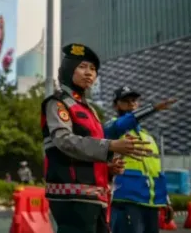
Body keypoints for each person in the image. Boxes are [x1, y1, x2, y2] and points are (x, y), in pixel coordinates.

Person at [41, 43, 152, 233]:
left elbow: (90, 150)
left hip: (95, 197)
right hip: (72, 197)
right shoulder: (57, 103)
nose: (89, 73)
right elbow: (64, 141)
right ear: (68, 70)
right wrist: (110, 146)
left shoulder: (89, 110)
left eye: (93, 69)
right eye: (82, 67)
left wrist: (108, 168)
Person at [105, 86, 177, 233]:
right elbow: (124, 122)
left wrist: (166, 201)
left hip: (150, 203)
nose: (131, 104)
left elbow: (155, 172)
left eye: (134, 101)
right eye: (125, 101)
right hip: (125, 200)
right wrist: (153, 108)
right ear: (115, 105)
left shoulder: (148, 137)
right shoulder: (112, 128)